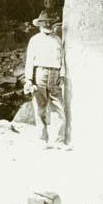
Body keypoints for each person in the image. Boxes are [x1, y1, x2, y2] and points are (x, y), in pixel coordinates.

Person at [24, 10, 67, 150]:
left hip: (54, 76)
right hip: (40, 75)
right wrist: (29, 80)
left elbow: (62, 60)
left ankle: (59, 140)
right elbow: (29, 61)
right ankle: (42, 139)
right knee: (40, 108)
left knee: (59, 109)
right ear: (40, 24)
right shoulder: (35, 40)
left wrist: (62, 75)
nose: (47, 24)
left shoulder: (57, 40)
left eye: (50, 22)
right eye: (44, 22)